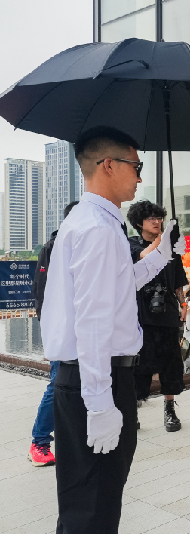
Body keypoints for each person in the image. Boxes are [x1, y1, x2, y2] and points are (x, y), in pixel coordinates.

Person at [41, 126, 183, 533]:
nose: (139, 177)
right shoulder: (99, 230)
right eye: (135, 166)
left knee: (89, 504)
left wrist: (162, 254)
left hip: (90, 378)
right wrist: (100, 404)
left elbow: (119, 286)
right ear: (108, 165)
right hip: (97, 380)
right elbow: (93, 322)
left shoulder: (96, 222)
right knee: (94, 510)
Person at [127, 200, 189, 432]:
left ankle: (170, 409)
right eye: (151, 218)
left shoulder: (171, 249)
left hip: (168, 313)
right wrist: (163, 241)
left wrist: (184, 303)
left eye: (159, 217)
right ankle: (132, 410)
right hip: (141, 314)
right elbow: (143, 257)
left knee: (171, 363)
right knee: (140, 364)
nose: (157, 221)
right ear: (139, 223)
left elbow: (179, 280)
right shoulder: (131, 245)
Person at [27, 200, 79, 467]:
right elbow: (42, 292)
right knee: (58, 383)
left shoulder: (85, 246)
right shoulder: (54, 248)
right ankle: (39, 442)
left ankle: (75, 440)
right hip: (64, 329)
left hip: (86, 328)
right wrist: (52, 332)